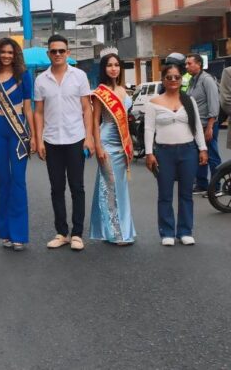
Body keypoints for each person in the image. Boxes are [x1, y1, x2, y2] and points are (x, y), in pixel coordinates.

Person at [34, 34, 93, 252]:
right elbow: (38, 112)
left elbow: (87, 108)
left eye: (61, 50)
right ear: (48, 53)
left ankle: (77, 233)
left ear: (68, 53)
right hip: (51, 140)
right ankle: (61, 232)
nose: (57, 54)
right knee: (56, 188)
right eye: (53, 51)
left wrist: (90, 137)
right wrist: (38, 139)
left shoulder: (79, 76)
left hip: (76, 138)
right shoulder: (41, 80)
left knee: (77, 187)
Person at [0, 39, 36, 251]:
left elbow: (29, 109)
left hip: (18, 130)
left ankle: (19, 234)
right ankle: (5, 232)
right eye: (3, 52)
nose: (6, 56)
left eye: (10, 53)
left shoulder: (24, 76)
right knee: (4, 181)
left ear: (16, 55)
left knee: (18, 181)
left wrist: (33, 136)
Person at [145, 65, 208, 246]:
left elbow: (196, 127)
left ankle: (185, 231)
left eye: (177, 77)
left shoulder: (189, 101)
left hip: (188, 151)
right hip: (164, 152)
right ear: (163, 79)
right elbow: (149, 130)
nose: (173, 80)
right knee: (165, 194)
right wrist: (149, 153)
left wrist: (202, 149)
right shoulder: (153, 103)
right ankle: (167, 232)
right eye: (169, 77)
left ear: (181, 80)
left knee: (186, 193)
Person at [90, 51, 136, 245]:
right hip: (107, 143)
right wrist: (98, 146)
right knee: (109, 188)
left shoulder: (124, 90)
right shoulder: (101, 92)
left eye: (116, 65)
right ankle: (116, 233)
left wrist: (130, 143)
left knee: (121, 189)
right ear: (104, 68)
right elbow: (95, 120)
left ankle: (120, 229)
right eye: (109, 65)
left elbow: (125, 120)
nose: (113, 68)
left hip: (122, 144)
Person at [185, 53, 220, 196]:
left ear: (199, 64)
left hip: (207, 124)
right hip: (197, 126)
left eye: (189, 63)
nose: (187, 66)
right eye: (186, 64)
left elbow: (214, 104)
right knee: (200, 154)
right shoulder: (193, 81)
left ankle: (216, 186)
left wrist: (210, 126)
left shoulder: (207, 80)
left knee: (212, 155)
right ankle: (202, 184)